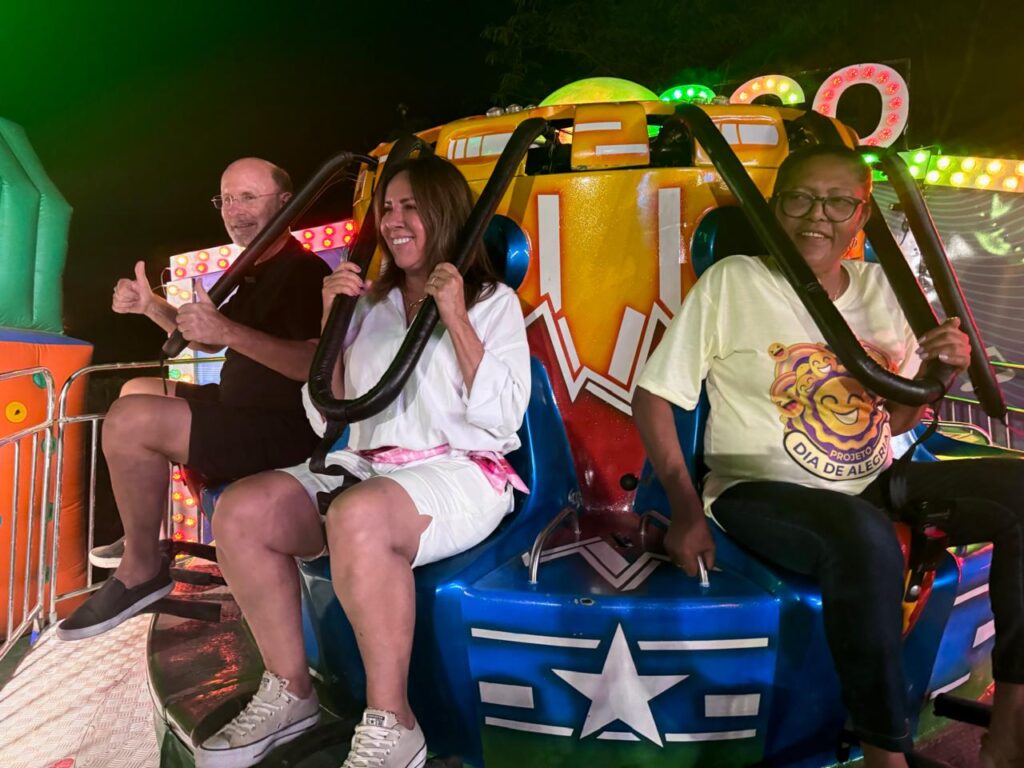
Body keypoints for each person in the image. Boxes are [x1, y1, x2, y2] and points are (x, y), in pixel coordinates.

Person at [633, 144, 1024, 768]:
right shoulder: (735, 282)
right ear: (776, 208)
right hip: (757, 489)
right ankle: (883, 753)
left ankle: (1011, 724)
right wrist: (684, 509)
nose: (818, 215)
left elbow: (898, 416)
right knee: (863, 534)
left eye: (839, 202)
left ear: (861, 215)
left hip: (870, 480)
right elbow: (655, 396)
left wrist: (940, 371)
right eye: (801, 199)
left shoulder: (881, 288)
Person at [192, 154, 530, 768]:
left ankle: (392, 723)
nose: (395, 221)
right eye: (388, 208)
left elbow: (501, 419)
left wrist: (455, 317)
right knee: (241, 511)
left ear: (445, 214)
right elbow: (327, 418)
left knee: (357, 515)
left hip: (460, 469)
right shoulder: (370, 307)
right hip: (369, 465)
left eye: (411, 207)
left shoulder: (492, 302)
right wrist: (333, 325)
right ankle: (290, 690)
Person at [57, 157, 331, 641]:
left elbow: (312, 364)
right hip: (240, 405)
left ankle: (142, 572)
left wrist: (227, 331)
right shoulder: (255, 267)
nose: (234, 210)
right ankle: (144, 535)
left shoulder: (303, 272)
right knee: (135, 390)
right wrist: (151, 307)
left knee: (131, 420)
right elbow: (206, 338)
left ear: (287, 203)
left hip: (281, 428)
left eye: (249, 197)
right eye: (226, 199)